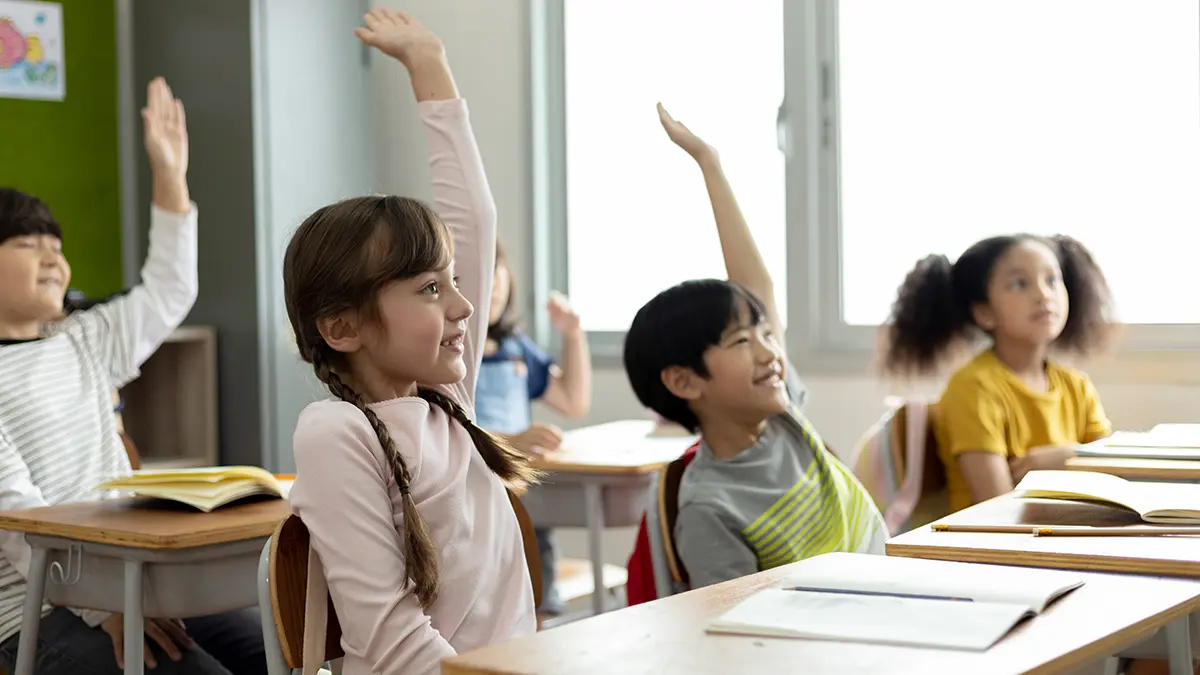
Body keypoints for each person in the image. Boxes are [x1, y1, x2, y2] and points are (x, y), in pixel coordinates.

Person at [285, 10, 539, 675]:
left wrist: (429, 64)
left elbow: (475, 221)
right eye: (429, 289)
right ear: (342, 327)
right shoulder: (337, 431)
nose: (461, 307)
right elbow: (397, 645)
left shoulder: (446, 402)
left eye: (453, 282)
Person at [0, 79, 266, 674]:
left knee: (275, 654)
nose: (53, 257)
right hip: (36, 614)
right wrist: (109, 612)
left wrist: (170, 174)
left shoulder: (83, 339)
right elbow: (17, 521)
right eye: (26, 243)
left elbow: (171, 286)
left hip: (138, 582)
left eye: (56, 245)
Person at [622, 104, 887, 590]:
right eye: (742, 341)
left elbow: (755, 285)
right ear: (683, 380)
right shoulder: (709, 509)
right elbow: (744, 636)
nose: (770, 351)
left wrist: (710, 164)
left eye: (767, 334)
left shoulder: (784, 419)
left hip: (893, 595)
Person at [881, 234, 1115, 515]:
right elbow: (998, 507)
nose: (1043, 294)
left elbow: (1111, 471)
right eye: (1020, 284)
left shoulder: (1077, 385)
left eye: (1052, 280)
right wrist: (1077, 459)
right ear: (984, 312)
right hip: (991, 547)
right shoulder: (973, 387)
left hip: (1063, 533)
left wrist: (1067, 456)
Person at [477, 239, 591, 623]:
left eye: (496, 270)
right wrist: (509, 443)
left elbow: (573, 401)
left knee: (536, 583)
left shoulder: (515, 347)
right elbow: (445, 427)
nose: (490, 283)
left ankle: (538, 622)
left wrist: (573, 335)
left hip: (524, 496)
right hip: (477, 492)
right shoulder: (451, 349)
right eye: (474, 273)